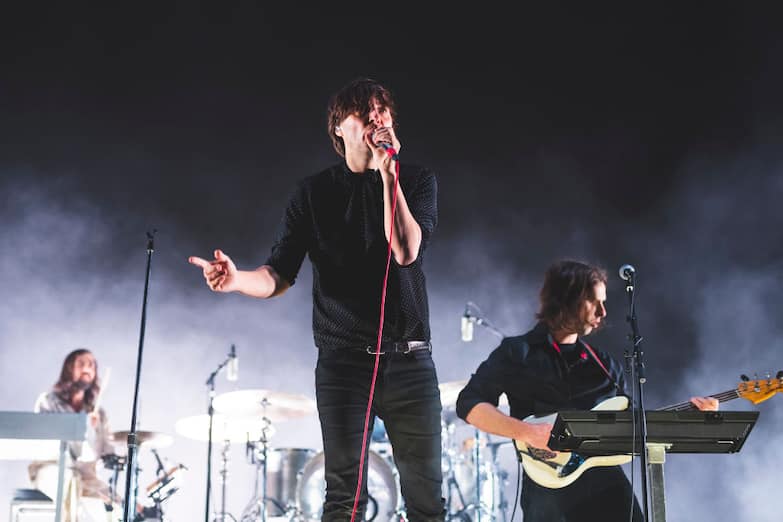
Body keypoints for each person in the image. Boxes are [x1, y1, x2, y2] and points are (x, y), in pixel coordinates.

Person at [189, 78, 445, 521]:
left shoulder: (417, 181)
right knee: (344, 498)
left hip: (409, 360)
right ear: (338, 129)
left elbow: (405, 251)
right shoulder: (312, 193)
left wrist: (389, 174)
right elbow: (278, 274)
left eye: (382, 111)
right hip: (344, 363)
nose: (375, 118)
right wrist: (236, 281)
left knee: (426, 500)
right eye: (363, 112)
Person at [455, 260, 718, 521]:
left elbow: (636, 427)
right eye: (594, 301)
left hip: (606, 488)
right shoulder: (518, 352)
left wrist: (688, 417)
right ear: (566, 300)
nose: (603, 312)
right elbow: (468, 403)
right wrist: (526, 433)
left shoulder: (603, 363)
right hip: (547, 489)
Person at [30, 348, 117, 521]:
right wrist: (83, 427)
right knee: (69, 483)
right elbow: (46, 441)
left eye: (91, 365)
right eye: (81, 363)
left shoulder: (99, 414)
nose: (87, 368)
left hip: (86, 477)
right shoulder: (48, 402)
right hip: (51, 468)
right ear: (69, 369)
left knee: (116, 506)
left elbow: (108, 452)